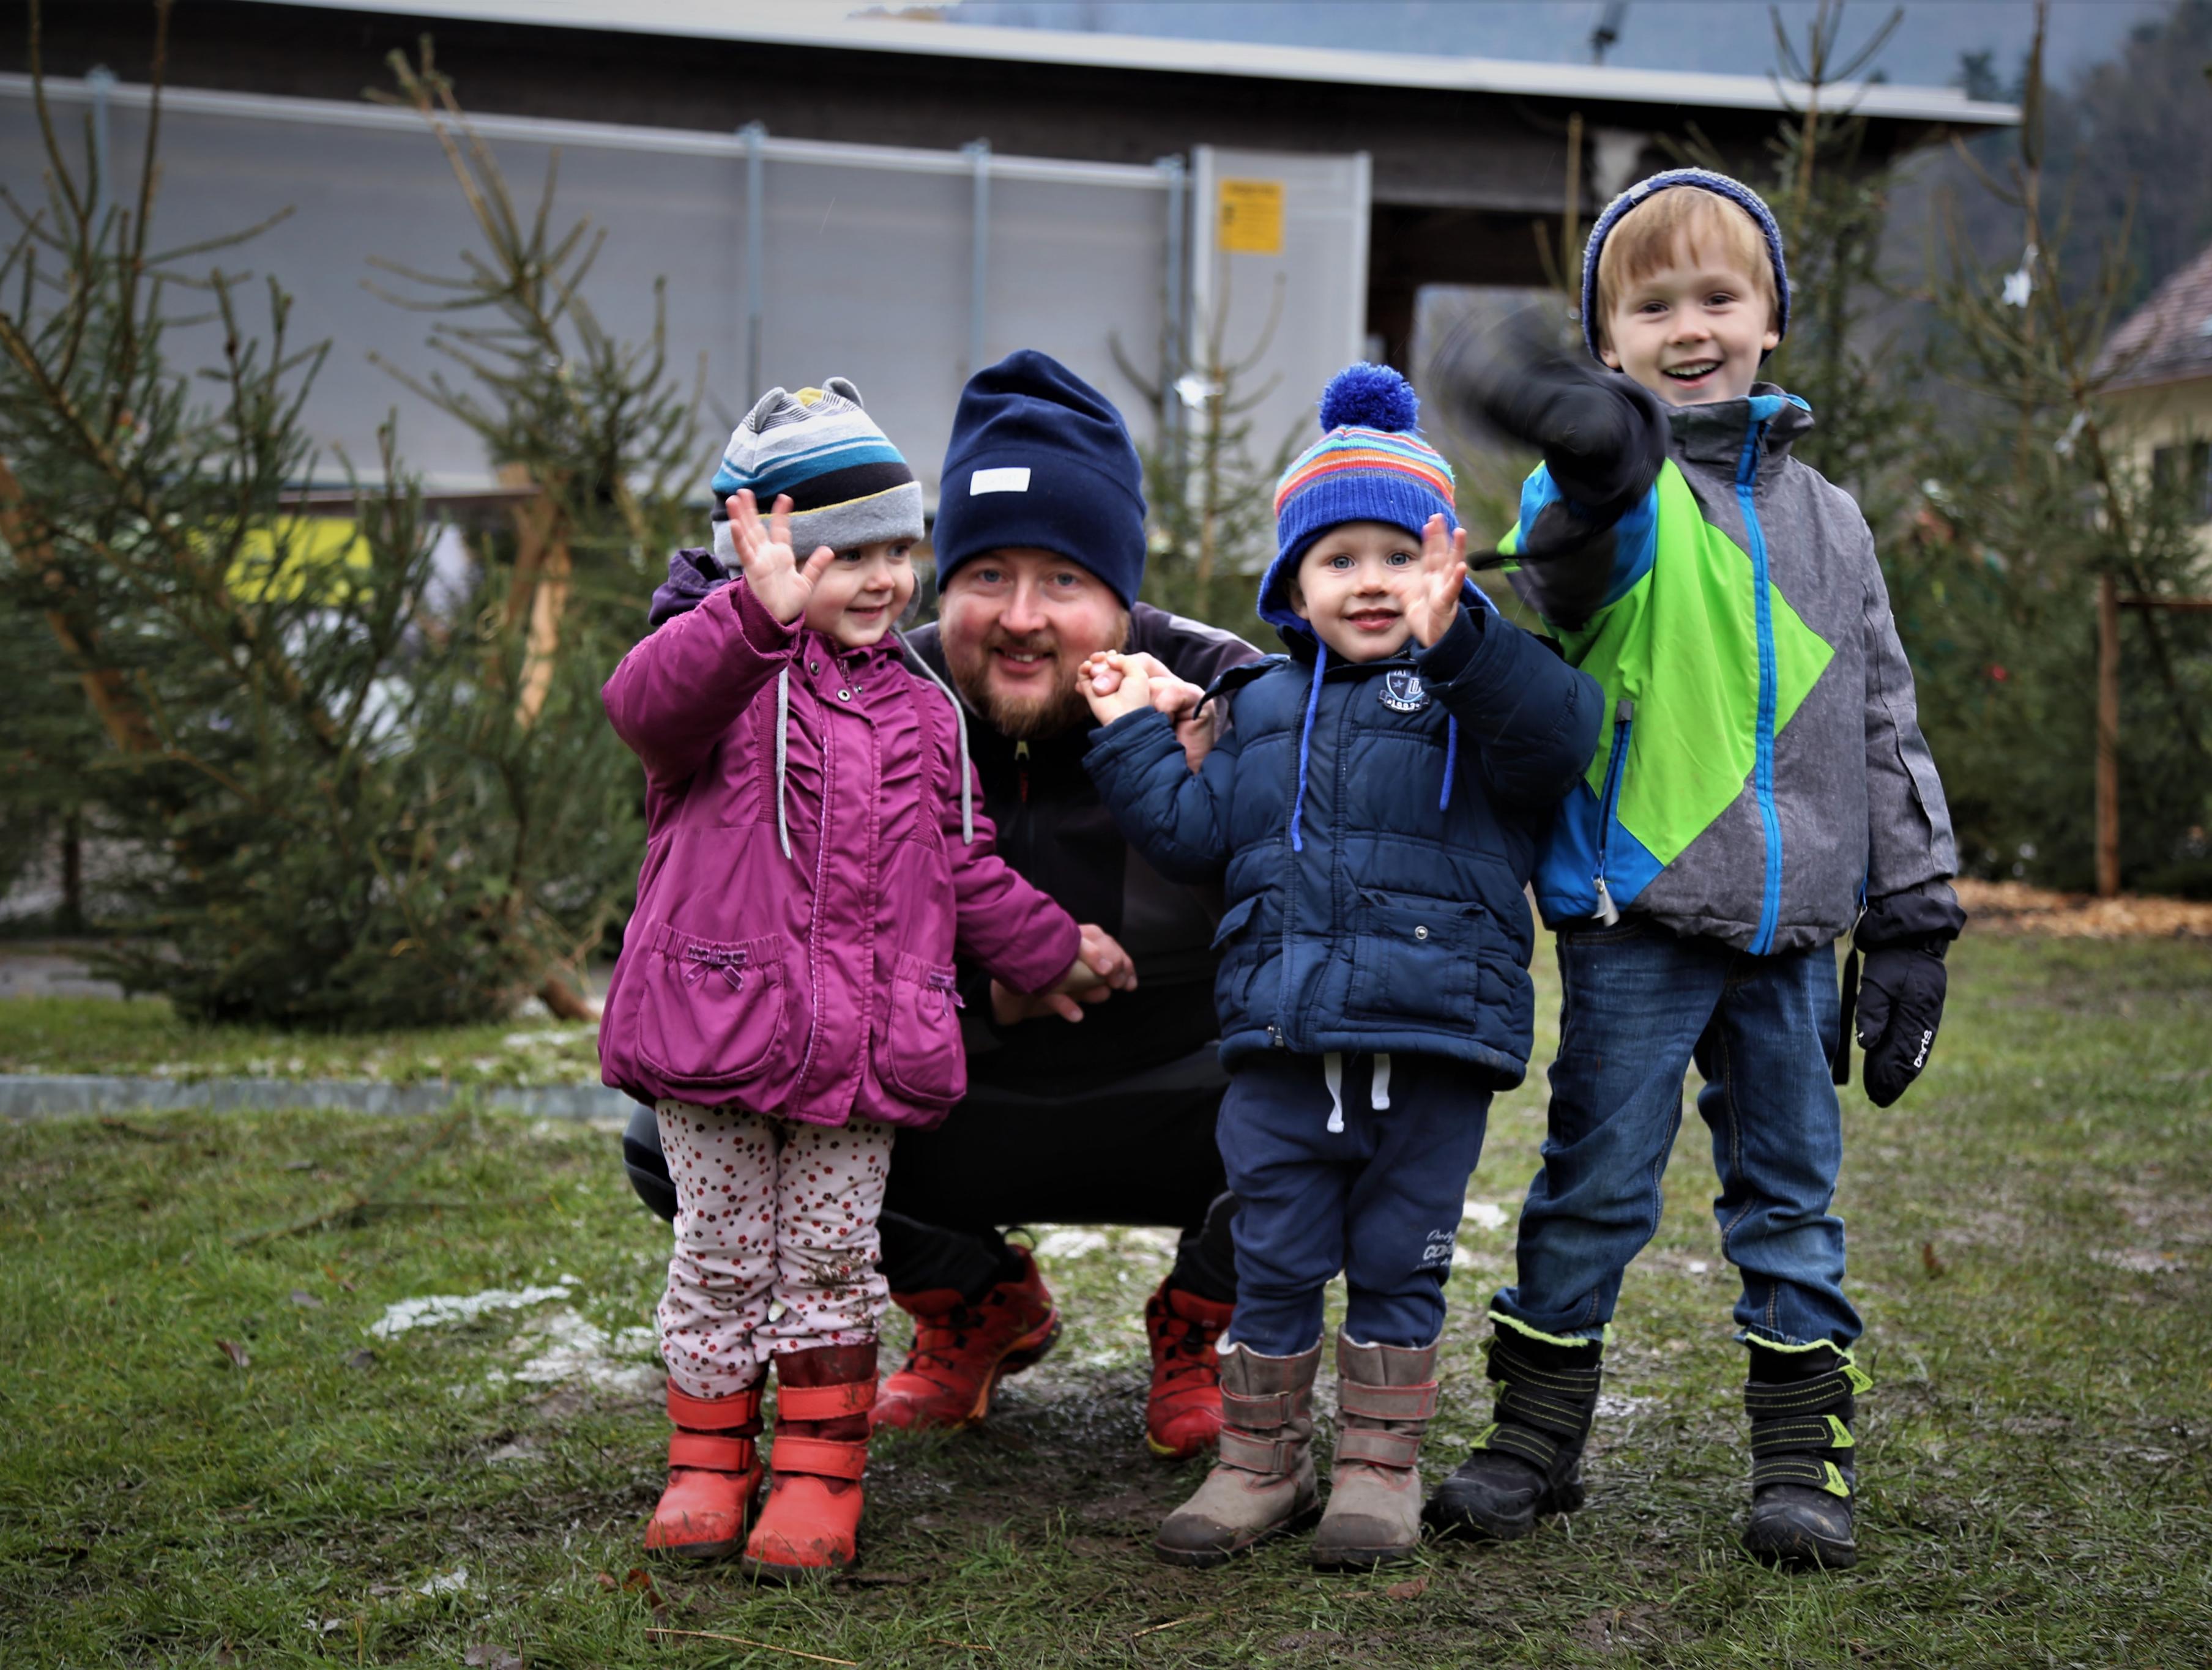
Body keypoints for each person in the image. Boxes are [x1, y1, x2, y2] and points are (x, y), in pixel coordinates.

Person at [1421, 169, 1964, 1571]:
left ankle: (1802, 1457)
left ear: (1769, 318)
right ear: (1605, 343)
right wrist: (1593, 467)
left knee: (1789, 1199)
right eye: (1648, 306)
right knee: (1595, 1183)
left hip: (1791, 938)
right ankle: (1534, 1436)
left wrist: (1912, 909)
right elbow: (1568, 576)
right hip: (1639, 915)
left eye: (1716, 297)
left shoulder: (1832, 522)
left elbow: (1882, 716)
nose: (1686, 328)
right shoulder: (1609, 487)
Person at [599, 380, 1130, 1580]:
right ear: (774, 552)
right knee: (719, 1257)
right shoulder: (721, 668)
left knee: (833, 1265)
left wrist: (1048, 946)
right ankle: (706, 1465)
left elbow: (958, 861)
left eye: (901, 550)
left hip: (858, 1051)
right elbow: (644, 711)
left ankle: (818, 1475)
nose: (886, 579)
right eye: (851, 553)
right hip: (717, 1031)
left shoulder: (921, 707)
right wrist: (751, 618)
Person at [1079, 364, 1601, 1570]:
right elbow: (1194, 836)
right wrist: (1132, 740)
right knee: (1271, 1258)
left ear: (1445, 567)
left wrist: (1465, 639)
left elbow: (1561, 737)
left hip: (1431, 1046)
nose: (1369, 580)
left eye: (1398, 556)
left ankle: (1378, 1466)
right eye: (1337, 558)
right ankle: (1260, 1462)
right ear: (1293, 586)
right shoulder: (1259, 704)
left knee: (1401, 1261)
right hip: (1283, 1044)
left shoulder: (1483, 688)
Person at [866, 351, 1264, 1460]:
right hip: (957, 1094)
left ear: (1122, 598)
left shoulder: (1226, 693)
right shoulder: (875, 700)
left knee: (1377, 1077)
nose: (1021, 617)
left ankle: (1209, 1313)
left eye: (1063, 580)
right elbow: (799, 936)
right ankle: (973, 1296)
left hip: (1185, 1096)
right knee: (683, 1124)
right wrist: (987, 990)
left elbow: (1333, 926)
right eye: (988, 574)